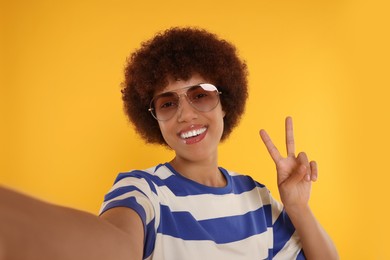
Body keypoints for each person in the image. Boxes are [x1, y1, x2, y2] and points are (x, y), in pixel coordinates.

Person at [0, 27, 338, 260]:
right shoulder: (143, 190)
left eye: (200, 96)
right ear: (153, 119)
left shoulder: (259, 199)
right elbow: (115, 246)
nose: (186, 115)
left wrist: (298, 208)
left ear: (225, 103)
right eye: (168, 103)